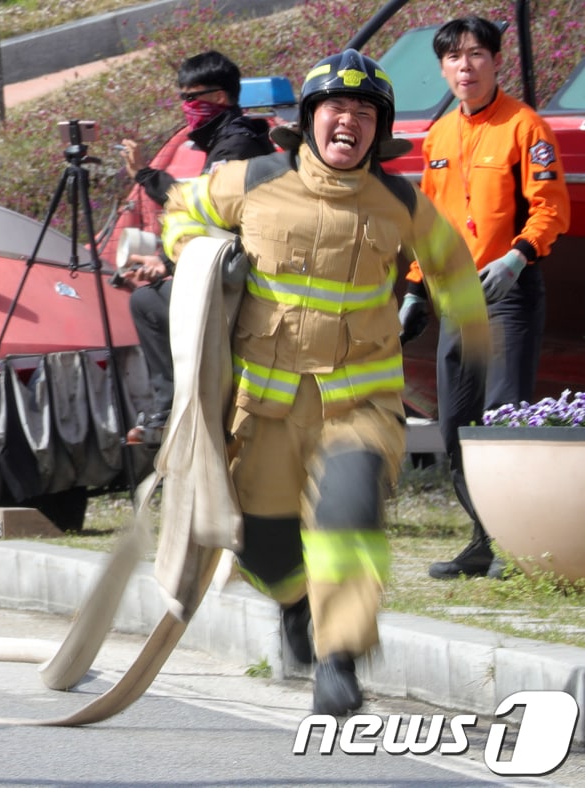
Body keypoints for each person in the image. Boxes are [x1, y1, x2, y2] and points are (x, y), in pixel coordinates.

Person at [162, 50, 488, 714]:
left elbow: (455, 271)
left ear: (380, 128)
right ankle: (294, 601)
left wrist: (473, 345)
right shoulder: (250, 179)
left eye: (365, 112)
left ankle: (339, 659)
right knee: (263, 545)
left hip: (359, 408)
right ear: (309, 120)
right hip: (265, 410)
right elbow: (180, 211)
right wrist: (194, 258)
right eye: (335, 108)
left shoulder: (400, 202)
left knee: (348, 517)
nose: (350, 121)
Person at [398, 16, 571, 580]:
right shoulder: (441, 135)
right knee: (456, 427)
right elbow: (431, 222)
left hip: (507, 295)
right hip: (455, 301)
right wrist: (416, 287)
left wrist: (519, 255)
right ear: (442, 68)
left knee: (501, 421)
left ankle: (518, 549)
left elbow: (551, 207)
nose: (464, 67)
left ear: (497, 61)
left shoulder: (526, 127)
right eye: (453, 58)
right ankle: (482, 541)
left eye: (475, 55)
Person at [117, 50, 275, 447]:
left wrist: (146, 176)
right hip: (228, 270)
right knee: (151, 297)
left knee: (147, 305)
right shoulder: (229, 140)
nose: (187, 108)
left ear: (221, 97)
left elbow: (203, 208)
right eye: (183, 99)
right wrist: (167, 261)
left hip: (249, 283)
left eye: (193, 98)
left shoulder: (236, 147)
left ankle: (172, 412)